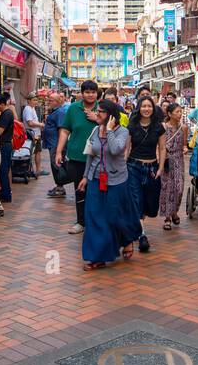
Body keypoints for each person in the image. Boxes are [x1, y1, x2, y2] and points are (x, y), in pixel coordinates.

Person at [79, 99, 139, 268]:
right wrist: (85, 177)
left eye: (101, 112)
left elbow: (115, 149)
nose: (97, 114)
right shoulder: (94, 131)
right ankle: (98, 257)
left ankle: (127, 239)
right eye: (97, 111)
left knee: (116, 216)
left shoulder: (123, 132)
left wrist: (110, 130)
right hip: (96, 179)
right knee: (94, 217)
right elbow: (90, 155)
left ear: (111, 116)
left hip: (117, 180)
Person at [56, 80, 100, 235]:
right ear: (82, 94)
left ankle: (95, 222)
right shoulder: (73, 109)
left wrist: (98, 119)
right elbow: (65, 131)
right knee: (80, 190)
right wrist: (59, 151)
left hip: (98, 159)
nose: (90, 95)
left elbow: (112, 128)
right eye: (87, 92)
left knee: (96, 191)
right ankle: (81, 222)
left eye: (93, 92)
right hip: (77, 157)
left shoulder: (102, 109)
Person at [126, 95, 166, 252]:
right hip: (133, 167)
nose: (146, 109)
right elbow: (126, 148)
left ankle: (138, 224)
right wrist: (123, 165)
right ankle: (142, 235)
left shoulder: (158, 127)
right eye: (144, 106)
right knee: (136, 199)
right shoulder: (132, 126)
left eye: (149, 106)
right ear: (139, 108)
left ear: (153, 108)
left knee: (150, 204)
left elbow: (162, 148)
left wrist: (161, 167)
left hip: (152, 169)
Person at [157, 102, 189, 231]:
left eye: (181, 111)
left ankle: (174, 211)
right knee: (166, 189)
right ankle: (167, 218)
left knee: (179, 188)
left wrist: (185, 148)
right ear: (169, 114)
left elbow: (184, 144)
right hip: (166, 160)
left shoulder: (184, 128)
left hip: (179, 160)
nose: (180, 114)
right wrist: (159, 159)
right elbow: (158, 145)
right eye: (177, 112)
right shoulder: (163, 127)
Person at [42, 91, 69, 198]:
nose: (49, 102)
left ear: (58, 102)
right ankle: (59, 186)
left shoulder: (60, 112)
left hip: (56, 144)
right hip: (52, 144)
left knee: (57, 166)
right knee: (55, 166)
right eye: (49, 100)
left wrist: (59, 147)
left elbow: (61, 129)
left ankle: (60, 187)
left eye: (51, 100)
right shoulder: (55, 111)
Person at [0, 94, 15, 205]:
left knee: (3, 170)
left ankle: (6, 194)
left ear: (1, 104)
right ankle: (4, 192)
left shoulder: (6, 114)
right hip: (4, 145)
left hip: (4, 145)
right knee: (2, 170)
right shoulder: (5, 113)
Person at [22, 92, 45, 177]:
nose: (36, 102)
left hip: (36, 133)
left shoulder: (32, 108)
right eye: (34, 100)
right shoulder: (28, 109)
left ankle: (38, 170)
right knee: (35, 152)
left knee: (38, 151)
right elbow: (30, 123)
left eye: (36, 100)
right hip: (32, 134)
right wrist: (40, 124)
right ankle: (34, 170)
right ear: (29, 101)